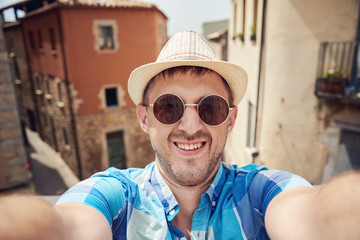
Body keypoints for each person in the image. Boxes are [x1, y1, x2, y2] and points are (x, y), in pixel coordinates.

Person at [0, 30, 360, 240]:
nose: (190, 126)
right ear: (144, 118)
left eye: (211, 108)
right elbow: (69, 226)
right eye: (169, 107)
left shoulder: (259, 192)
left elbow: (309, 216)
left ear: (230, 120)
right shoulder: (116, 198)